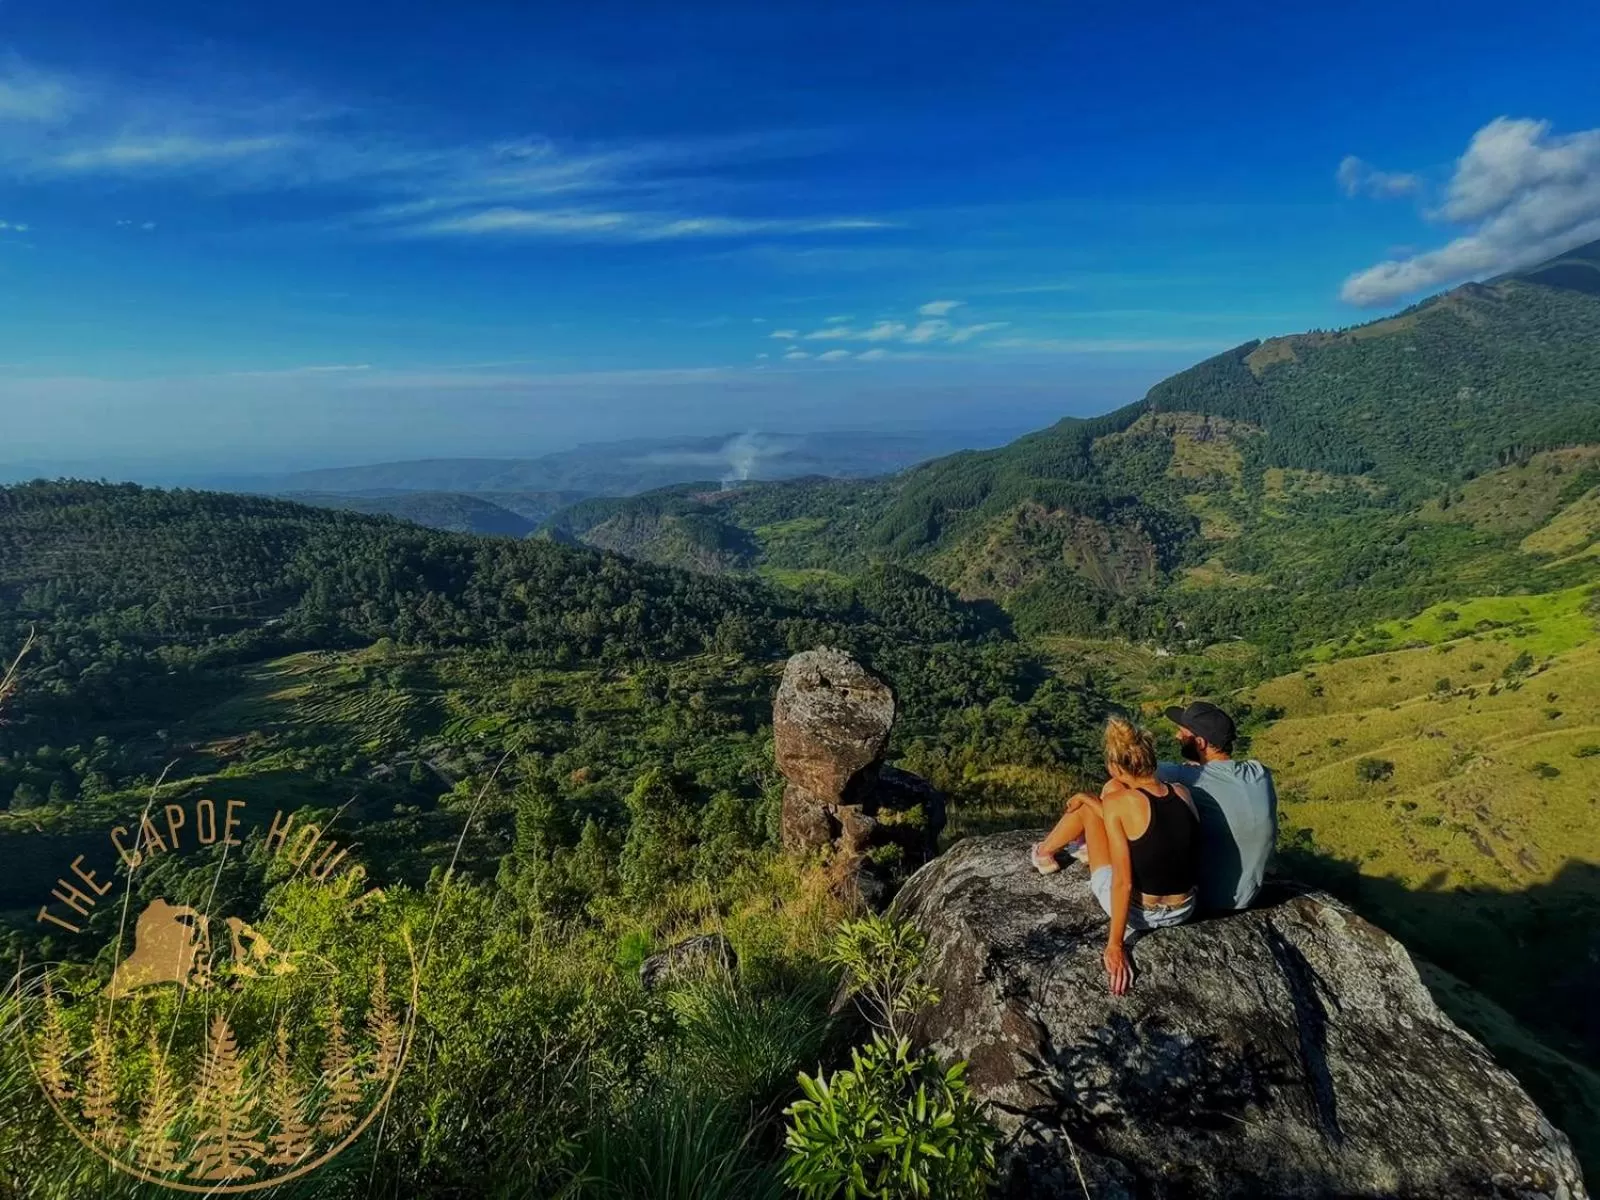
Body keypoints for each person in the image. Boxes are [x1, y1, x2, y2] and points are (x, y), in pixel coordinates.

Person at [1028, 717, 1200, 995]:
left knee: (1088, 811)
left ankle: (1044, 854)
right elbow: (1168, 840)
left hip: (1141, 914)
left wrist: (1115, 945)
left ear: (1116, 766)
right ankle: (1078, 847)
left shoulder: (1120, 803)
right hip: (1185, 909)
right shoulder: (1182, 793)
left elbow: (1122, 883)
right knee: (1104, 804)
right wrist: (1089, 797)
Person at [1156, 701, 1277, 913]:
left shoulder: (1188, 778)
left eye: (1182, 733)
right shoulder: (1260, 773)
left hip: (1207, 899)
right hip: (1249, 895)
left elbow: (1136, 772)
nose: (1177, 737)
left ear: (1200, 742)